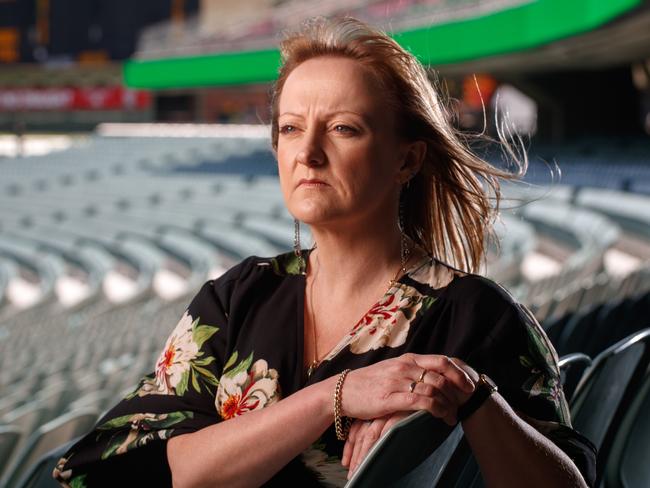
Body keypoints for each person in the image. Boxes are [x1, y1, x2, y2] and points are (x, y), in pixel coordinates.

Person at [53, 17, 596, 488]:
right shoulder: (237, 299)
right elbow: (116, 470)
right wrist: (333, 397)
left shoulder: (477, 317)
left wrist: (474, 400)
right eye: (290, 129)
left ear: (406, 160)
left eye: (343, 129)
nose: (308, 153)